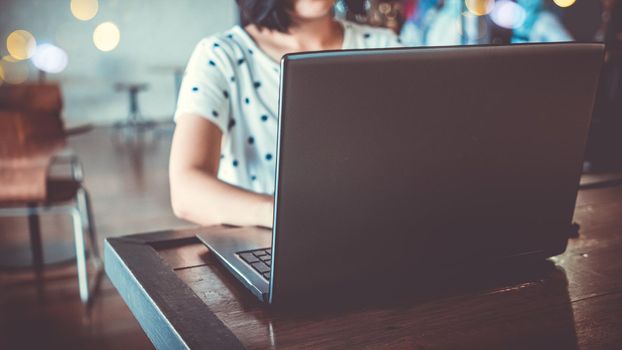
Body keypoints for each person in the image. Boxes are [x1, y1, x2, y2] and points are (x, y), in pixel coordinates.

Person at [169, 0, 402, 228]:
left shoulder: (386, 46)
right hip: (263, 243)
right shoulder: (220, 55)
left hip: (372, 231)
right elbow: (185, 192)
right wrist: (289, 216)